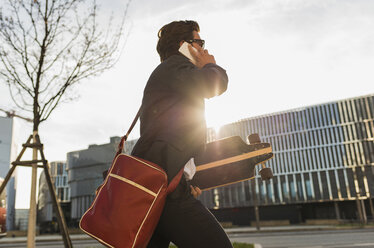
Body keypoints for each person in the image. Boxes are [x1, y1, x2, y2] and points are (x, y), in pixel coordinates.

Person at [131, 20, 232, 248]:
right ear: (184, 45)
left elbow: (179, 133)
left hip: (163, 186)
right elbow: (213, 85)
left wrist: (188, 177)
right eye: (200, 42)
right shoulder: (175, 67)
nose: (204, 49)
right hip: (167, 190)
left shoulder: (172, 74)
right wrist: (211, 65)